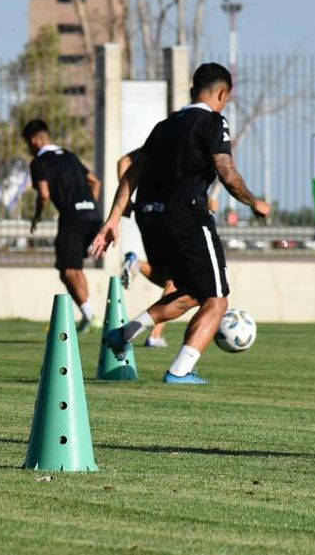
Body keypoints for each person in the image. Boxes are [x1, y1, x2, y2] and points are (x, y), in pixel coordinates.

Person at [89, 63, 270, 384]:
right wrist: (253, 201)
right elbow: (226, 171)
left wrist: (114, 219)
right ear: (222, 93)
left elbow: (131, 168)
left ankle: (125, 333)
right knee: (217, 300)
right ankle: (180, 370)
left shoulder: (165, 126)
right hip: (187, 217)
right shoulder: (213, 122)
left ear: (191, 91)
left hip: (151, 217)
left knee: (189, 292)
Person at [22, 120, 102, 331]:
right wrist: (90, 205)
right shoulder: (69, 155)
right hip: (93, 215)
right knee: (75, 268)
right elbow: (96, 182)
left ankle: (91, 316)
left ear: (33, 141)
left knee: (67, 271)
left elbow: (44, 195)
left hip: (72, 217)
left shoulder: (39, 162)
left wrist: (37, 216)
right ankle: (89, 316)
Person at [116, 148, 177, 348]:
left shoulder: (156, 141)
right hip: (169, 214)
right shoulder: (184, 140)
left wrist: (127, 200)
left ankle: (137, 263)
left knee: (163, 275)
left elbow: (123, 161)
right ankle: (155, 335)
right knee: (175, 282)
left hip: (145, 211)